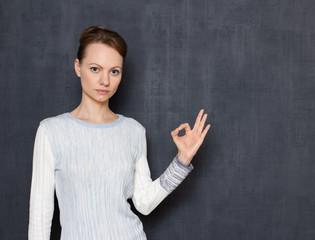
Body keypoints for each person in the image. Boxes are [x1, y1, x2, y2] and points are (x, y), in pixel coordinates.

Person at [28, 25, 210, 240]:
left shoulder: (133, 131)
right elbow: (40, 215)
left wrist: (182, 160)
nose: (105, 81)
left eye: (114, 71)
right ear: (78, 67)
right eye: (95, 69)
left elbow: (144, 203)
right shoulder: (51, 131)